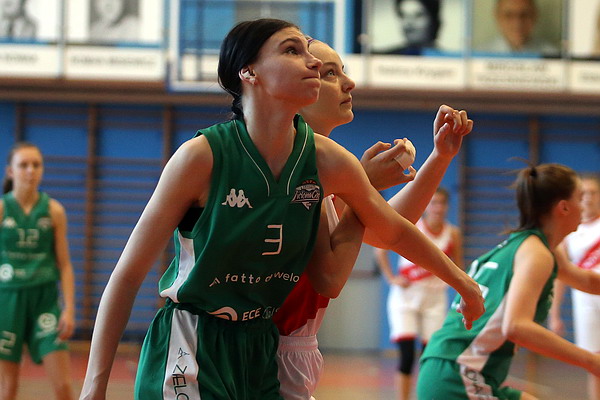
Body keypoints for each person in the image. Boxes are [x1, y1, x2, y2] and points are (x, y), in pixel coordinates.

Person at [78, 18, 483, 400]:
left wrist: (464, 282)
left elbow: (391, 230)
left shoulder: (328, 161)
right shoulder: (201, 157)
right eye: (292, 51)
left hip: (260, 346)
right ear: (249, 72)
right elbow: (128, 275)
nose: (312, 62)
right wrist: (94, 387)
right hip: (193, 336)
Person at [274, 37, 474, 400]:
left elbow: (387, 228)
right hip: (263, 343)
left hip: (290, 343)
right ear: (298, 88)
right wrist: (364, 186)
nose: (349, 83)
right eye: (330, 73)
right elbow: (331, 277)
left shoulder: (324, 165)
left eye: (342, 71)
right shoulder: (290, 165)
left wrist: (440, 156)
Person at [417, 163, 600, 400]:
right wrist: (591, 361)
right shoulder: (537, 254)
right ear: (563, 207)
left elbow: (587, 281)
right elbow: (516, 327)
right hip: (458, 374)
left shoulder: (534, 246)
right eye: (580, 198)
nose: (584, 204)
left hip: (448, 367)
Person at [0, 142, 76, 400]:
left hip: (44, 300)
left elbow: (64, 264)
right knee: (7, 389)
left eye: (36, 164)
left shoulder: (54, 210)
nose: (30, 170)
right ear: (10, 171)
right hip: (8, 299)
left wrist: (69, 308)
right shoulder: (2, 209)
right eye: (23, 165)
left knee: (63, 386)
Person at [374, 187, 463, 400]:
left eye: (442, 203)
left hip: (435, 299)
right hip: (406, 298)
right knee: (406, 356)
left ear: (447, 206)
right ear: (426, 206)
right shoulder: (413, 226)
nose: (438, 208)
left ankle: (425, 396)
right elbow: (379, 249)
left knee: (429, 357)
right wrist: (391, 278)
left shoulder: (453, 233)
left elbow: (458, 267)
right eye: (434, 203)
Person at [549, 174, 600, 400]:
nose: (588, 198)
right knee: (593, 360)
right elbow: (561, 275)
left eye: (593, 193)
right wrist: (554, 313)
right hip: (584, 302)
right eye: (583, 193)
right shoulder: (570, 231)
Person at [477, 0, 559, 56]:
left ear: (535, 16)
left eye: (524, 14)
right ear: (497, 17)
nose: (517, 22)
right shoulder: (479, 56)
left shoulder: (553, 55)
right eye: (509, 15)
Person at [376, 0, 441, 55]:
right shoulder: (385, 57)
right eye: (403, 15)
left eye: (418, 15)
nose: (409, 23)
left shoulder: (444, 59)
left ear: (433, 20)